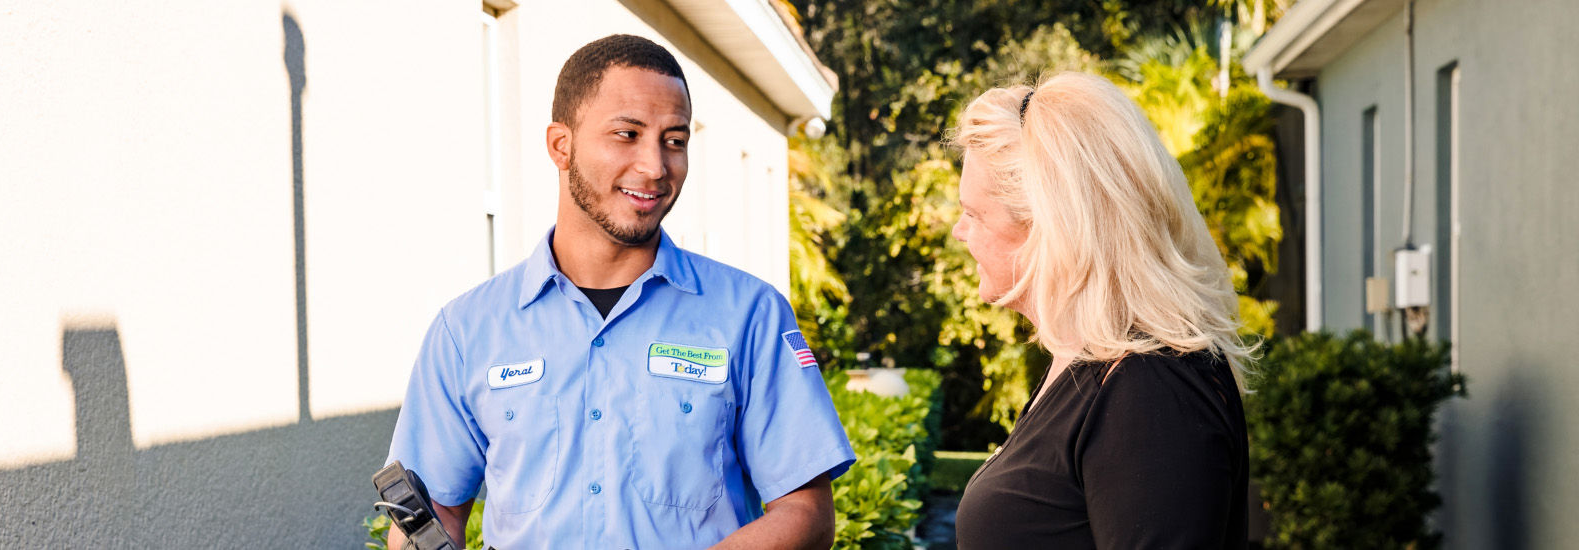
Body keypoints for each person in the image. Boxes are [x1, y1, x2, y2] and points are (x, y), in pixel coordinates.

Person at [384, 34, 854, 550]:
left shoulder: (751, 315)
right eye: (627, 134)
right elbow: (431, 520)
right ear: (561, 146)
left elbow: (806, 513)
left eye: (674, 140)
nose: (655, 166)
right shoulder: (467, 330)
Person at [947, 72, 1253, 549]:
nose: (959, 233)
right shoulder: (1092, 365)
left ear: (1053, 227)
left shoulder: (1149, 389)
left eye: (976, 214)